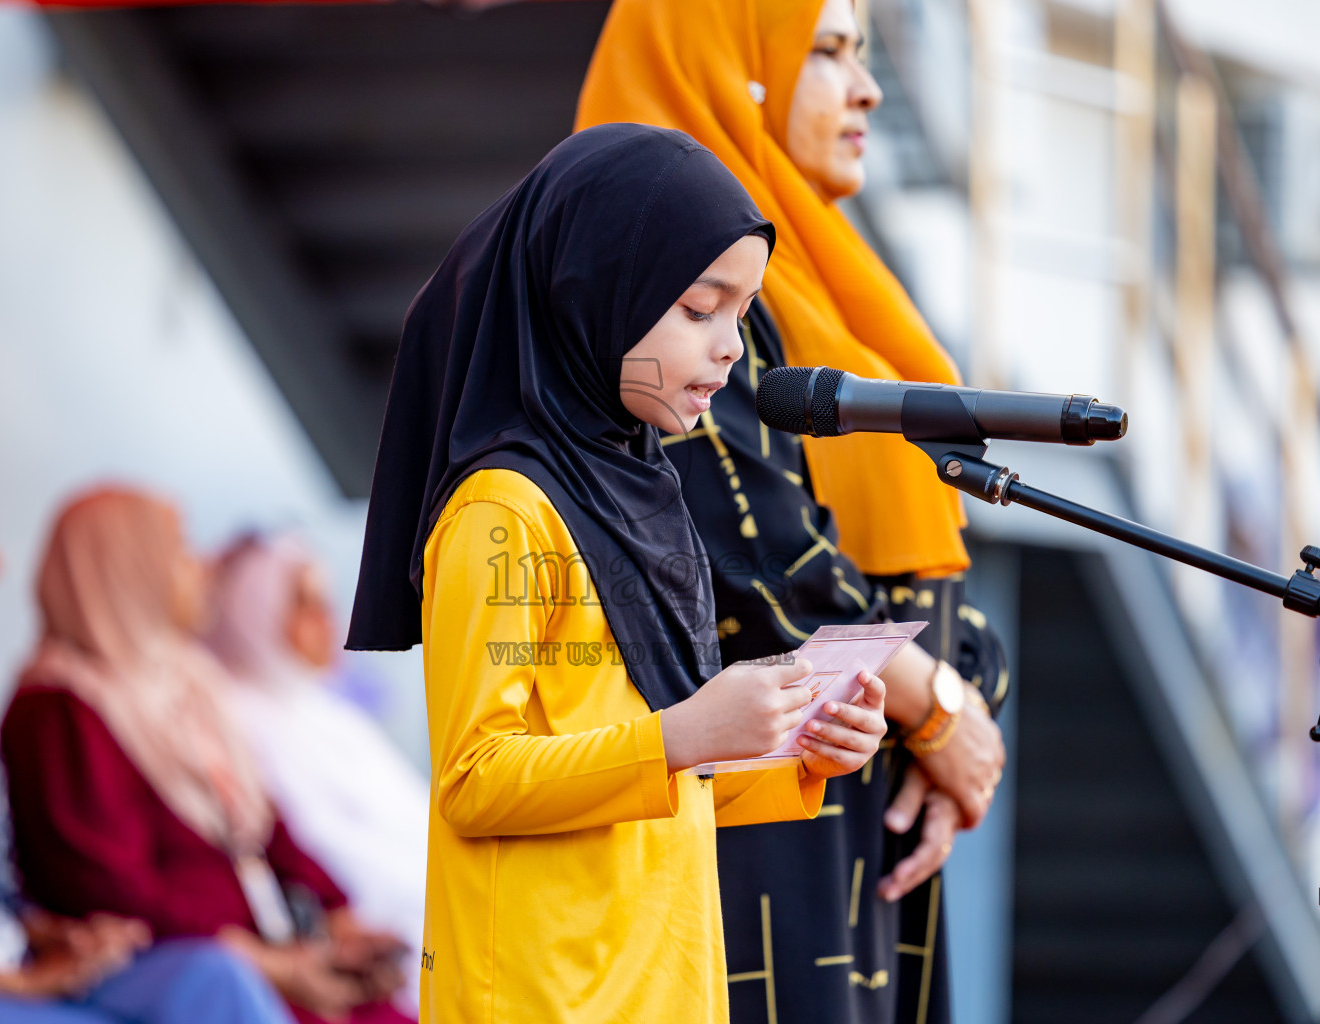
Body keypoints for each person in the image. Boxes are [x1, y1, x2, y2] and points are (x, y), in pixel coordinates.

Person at [344, 122, 892, 1023]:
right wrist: (685, 731)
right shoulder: (501, 509)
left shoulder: (638, 490)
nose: (731, 348)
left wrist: (800, 745)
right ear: (591, 294)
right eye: (697, 307)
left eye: (742, 315)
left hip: (656, 984)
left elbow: (648, 781)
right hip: (541, 995)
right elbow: (477, 782)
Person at [577, 2, 1009, 1022]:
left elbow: (932, 559)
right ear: (727, 63)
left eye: (863, 54)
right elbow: (764, 568)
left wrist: (961, 713)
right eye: (826, 52)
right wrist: (939, 707)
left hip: (870, 782)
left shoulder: (823, 276)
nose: (867, 90)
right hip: (754, 807)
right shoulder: (667, 284)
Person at [0, 466, 290, 1024]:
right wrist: (21, 984)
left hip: (17, 961)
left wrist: (59, 937)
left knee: (217, 982)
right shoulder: (55, 710)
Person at [0, 488, 412, 1024]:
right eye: (180, 550)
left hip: (271, 950)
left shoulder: (186, 683)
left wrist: (337, 916)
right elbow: (111, 890)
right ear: (127, 567)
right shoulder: (58, 710)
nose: (202, 568)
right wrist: (274, 961)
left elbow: (262, 825)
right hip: (200, 969)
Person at [205, 533, 427, 1016]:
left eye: (325, 601)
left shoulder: (321, 707)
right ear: (256, 611)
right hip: (366, 927)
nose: (326, 621)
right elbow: (317, 844)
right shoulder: (234, 715)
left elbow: (416, 818)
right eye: (303, 604)